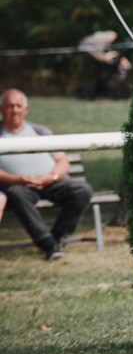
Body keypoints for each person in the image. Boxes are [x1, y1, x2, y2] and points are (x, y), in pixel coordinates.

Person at [0, 89, 93, 259]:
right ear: (1, 109)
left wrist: (51, 177)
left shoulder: (40, 131)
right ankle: (47, 244)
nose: (14, 110)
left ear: (26, 109)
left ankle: (56, 236)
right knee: (16, 193)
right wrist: (17, 179)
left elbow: (62, 161)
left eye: (19, 106)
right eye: (10, 106)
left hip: (50, 181)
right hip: (19, 185)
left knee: (82, 189)